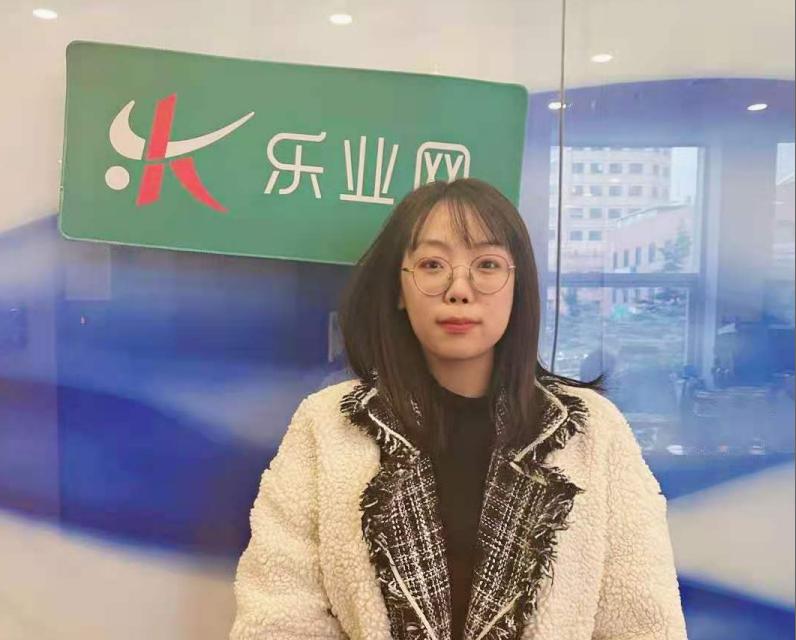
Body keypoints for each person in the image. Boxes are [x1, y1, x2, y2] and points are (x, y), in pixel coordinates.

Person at [230, 178, 688, 640]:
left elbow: (644, 624)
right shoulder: (327, 425)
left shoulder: (592, 430)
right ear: (398, 289)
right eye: (432, 264)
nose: (459, 289)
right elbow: (277, 620)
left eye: (487, 265)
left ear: (517, 286)